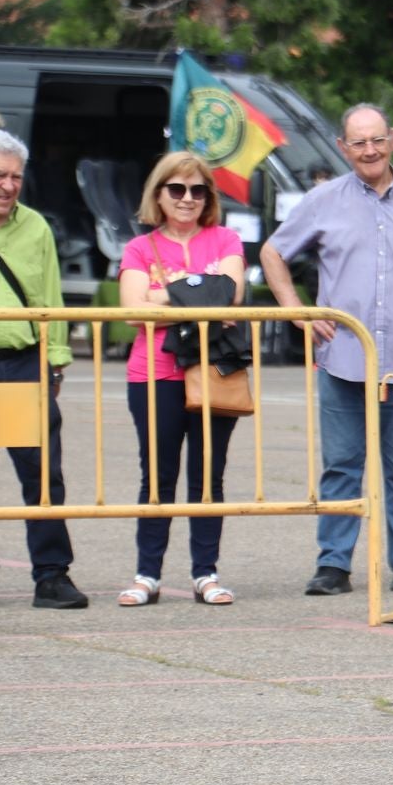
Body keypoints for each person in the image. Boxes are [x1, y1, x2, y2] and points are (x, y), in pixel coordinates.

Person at [260, 103, 393, 596]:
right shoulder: (324, 200)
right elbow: (273, 252)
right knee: (341, 465)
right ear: (343, 148)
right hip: (342, 358)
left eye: (377, 139)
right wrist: (297, 311)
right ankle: (333, 565)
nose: (369, 150)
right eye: (358, 143)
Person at [0, 129, 87, 611]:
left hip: (25, 363)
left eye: (16, 177)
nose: (8, 186)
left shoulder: (36, 228)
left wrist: (56, 362)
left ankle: (52, 575)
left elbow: (51, 297)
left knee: (43, 475)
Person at [116, 151, 245, 607]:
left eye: (198, 190)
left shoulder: (227, 239)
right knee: (157, 474)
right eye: (177, 189)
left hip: (213, 370)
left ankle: (205, 572)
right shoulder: (138, 247)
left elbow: (226, 296)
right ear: (159, 193)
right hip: (153, 372)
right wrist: (196, 290)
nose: (188, 198)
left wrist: (162, 293)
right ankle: (147, 573)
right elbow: (133, 311)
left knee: (209, 475)